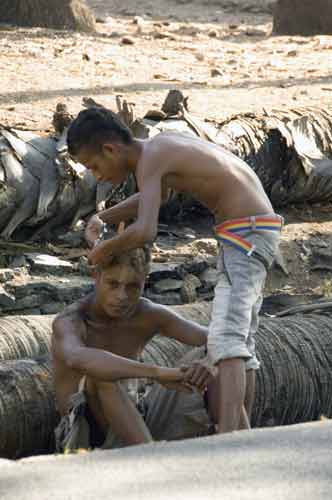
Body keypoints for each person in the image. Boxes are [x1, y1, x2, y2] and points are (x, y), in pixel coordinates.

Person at [66, 106, 282, 434]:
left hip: (245, 235)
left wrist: (102, 250)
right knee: (241, 344)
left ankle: (230, 442)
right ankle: (242, 431)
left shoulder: (151, 158)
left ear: (111, 149)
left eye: (95, 166)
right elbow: (158, 196)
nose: (97, 176)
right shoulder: (158, 149)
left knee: (227, 340)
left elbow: (146, 230)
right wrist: (103, 218)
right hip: (250, 231)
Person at [52, 243, 211, 452]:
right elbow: (77, 358)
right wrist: (157, 373)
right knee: (100, 374)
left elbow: (219, 340)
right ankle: (150, 457)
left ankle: (229, 441)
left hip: (138, 419)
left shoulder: (148, 314)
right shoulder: (71, 320)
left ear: (144, 281)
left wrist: (208, 362)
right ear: (96, 276)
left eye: (132, 286)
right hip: (85, 436)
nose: (121, 296)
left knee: (222, 355)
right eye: (113, 284)